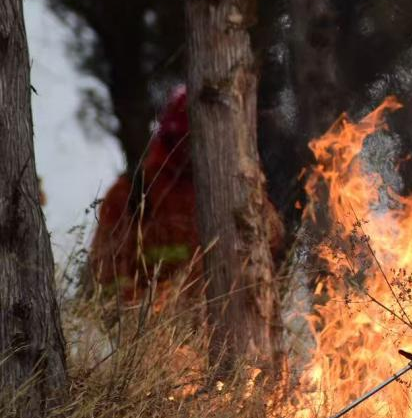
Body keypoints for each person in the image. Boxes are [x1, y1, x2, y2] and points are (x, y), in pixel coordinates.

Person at [88, 86, 284, 307]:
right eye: (190, 141)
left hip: (228, 321)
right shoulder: (132, 193)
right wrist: (154, 309)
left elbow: (272, 240)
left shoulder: (232, 186)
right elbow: (106, 279)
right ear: (173, 138)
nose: (199, 151)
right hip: (157, 330)